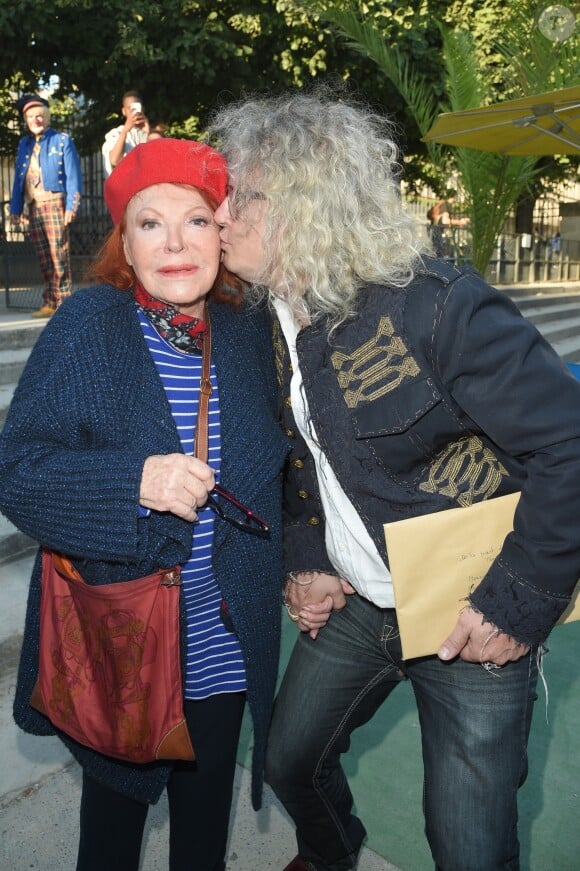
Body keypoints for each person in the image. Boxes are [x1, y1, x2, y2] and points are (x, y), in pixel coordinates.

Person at [208, 90, 580, 871]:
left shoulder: (436, 306)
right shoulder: (258, 317)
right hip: (359, 599)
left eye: (240, 194)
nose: (220, 209)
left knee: (469, 847)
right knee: (287, 758)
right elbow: (300, 451)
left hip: (469, 602)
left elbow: (571, 442)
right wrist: (307, 550)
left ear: (307, 205)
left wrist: (515, 600)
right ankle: (330, 851)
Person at [0, 137, 289, 871]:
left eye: (195, 221)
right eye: (149, 222)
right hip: (120, 642)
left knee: (202, 842)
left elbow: (287, 466)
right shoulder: (90, 323)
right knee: (110, 841)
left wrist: (310, 562)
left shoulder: (250, 330)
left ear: (220, 235)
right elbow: (18, 470)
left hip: (223, 642)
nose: (175, 244)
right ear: (123, 240)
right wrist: (133, 481)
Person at [9, 93, 82, 317]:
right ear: (27, 121)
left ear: (47, 117)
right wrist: (15, 208)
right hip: (34, 207)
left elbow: (73, 176)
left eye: (40, 115)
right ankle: (50, 302)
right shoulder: (24, 144)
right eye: (31, 117)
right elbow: (19, 178)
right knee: (43, 258)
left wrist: (71, 206)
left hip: (54, 203)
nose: (36, 120)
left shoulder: (62, 140)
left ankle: (64, 304)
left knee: (58, 255)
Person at [102, 89, 149, 176]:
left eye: (137, 107)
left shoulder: (150, 133)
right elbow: (114, 160)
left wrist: (148, 132)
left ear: (142, 108)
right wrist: (125, 130)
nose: (134, 111)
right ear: (124, 111)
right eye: (130, 108)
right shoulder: (116, 133)